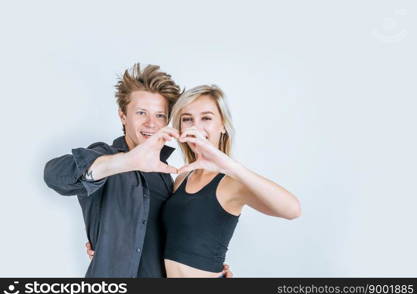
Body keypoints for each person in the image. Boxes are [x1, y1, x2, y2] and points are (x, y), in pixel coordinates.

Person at [44, 63, 233, 278]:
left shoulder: (166, 175)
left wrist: (208, 271)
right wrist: (125, 162)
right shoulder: (104, 158)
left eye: (160, 115)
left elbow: (174, 237)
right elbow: (53, 175)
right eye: (141, 112)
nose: (151, 124)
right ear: (123, 116)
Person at [161, 85, 301, 277]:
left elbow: (292, 210)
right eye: (187, 119)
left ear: (223, 126)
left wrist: (228, 165)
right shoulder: (182, 178)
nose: (195, 126)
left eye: (206, 118)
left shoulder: (232, 182)